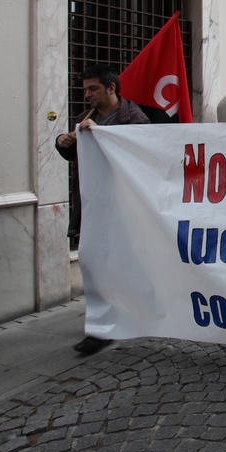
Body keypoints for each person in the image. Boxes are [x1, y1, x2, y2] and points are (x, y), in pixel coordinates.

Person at [55, 66, 150, 355]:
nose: (87, 95)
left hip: (122, 204)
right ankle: (104, 321)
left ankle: (109, 321)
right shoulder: (86, 119)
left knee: (116, 264)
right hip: (94, 205)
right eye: (85, 90)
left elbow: (137, 155)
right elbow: (78, 155)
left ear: (111, 88)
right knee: (97, 263)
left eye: (93, 89)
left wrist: (100, 135)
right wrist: (63, 143)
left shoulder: (135, 119)